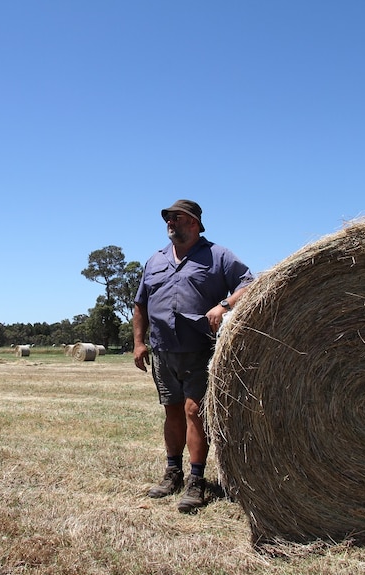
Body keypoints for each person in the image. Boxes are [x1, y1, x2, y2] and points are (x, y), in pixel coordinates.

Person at [133, 199, 254, 513]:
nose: (170, 223)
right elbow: (140, 304)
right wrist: (138, 343)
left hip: (200, 349)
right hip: (162, 349)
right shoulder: (155, 260)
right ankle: (173, 473)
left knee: (193, 411)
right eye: (168, 219)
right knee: (172, 412)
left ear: (195, 223)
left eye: (177, 218)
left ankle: (197, 481)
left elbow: (249, 284)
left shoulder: (217, 256)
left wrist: (224, 306)